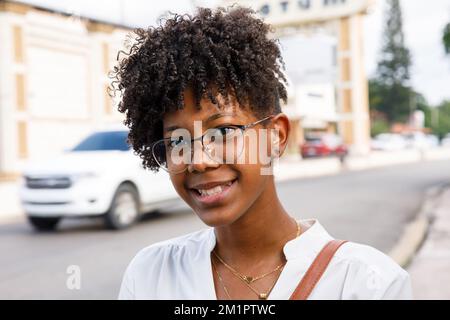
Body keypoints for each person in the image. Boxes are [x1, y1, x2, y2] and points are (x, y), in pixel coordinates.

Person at [112, 6, 412, 300]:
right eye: (177, 142)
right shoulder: (150, 275)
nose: (199, 160)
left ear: (276, 136)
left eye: (224, 132)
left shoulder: (367, 284)